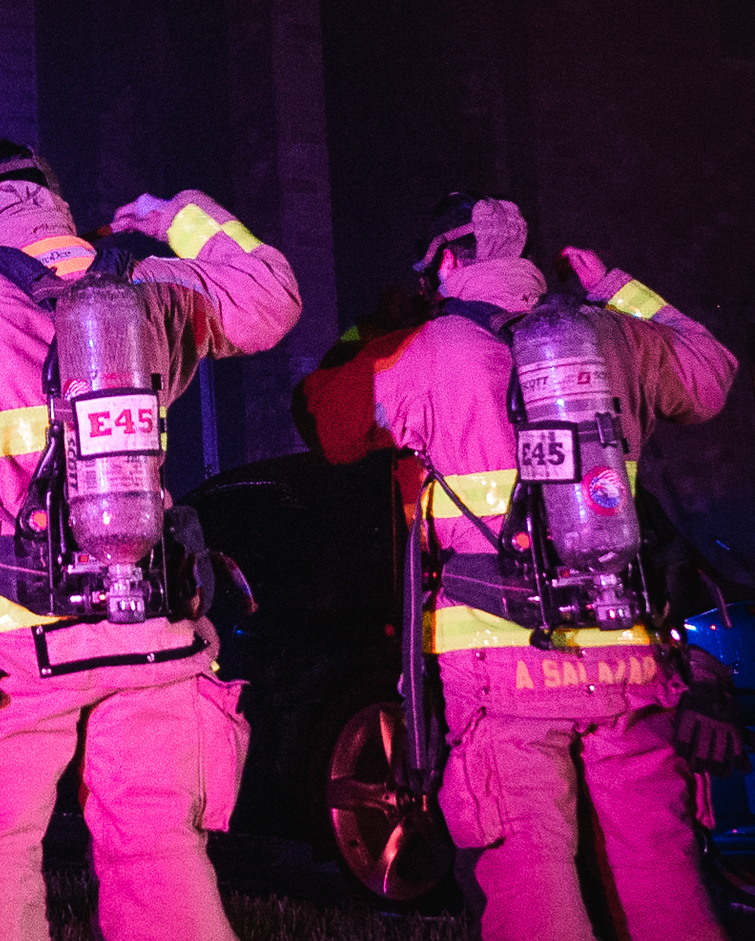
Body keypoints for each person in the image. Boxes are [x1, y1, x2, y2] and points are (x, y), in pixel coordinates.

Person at [0, 139, 303, 941]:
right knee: (158, 853)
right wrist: (176, 216)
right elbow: (270, 299)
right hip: (148, 626)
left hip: (7, 647)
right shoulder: (146, 285)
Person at [295, 192, 742, 941]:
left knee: (526, 861)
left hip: (501, 662)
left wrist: (374, 328)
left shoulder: (426, 349)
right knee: (657, 858)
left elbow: (323, 422)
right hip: (625, 653)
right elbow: (713, 371)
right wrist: (613, 288)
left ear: (445, 260)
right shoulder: (613, 338)